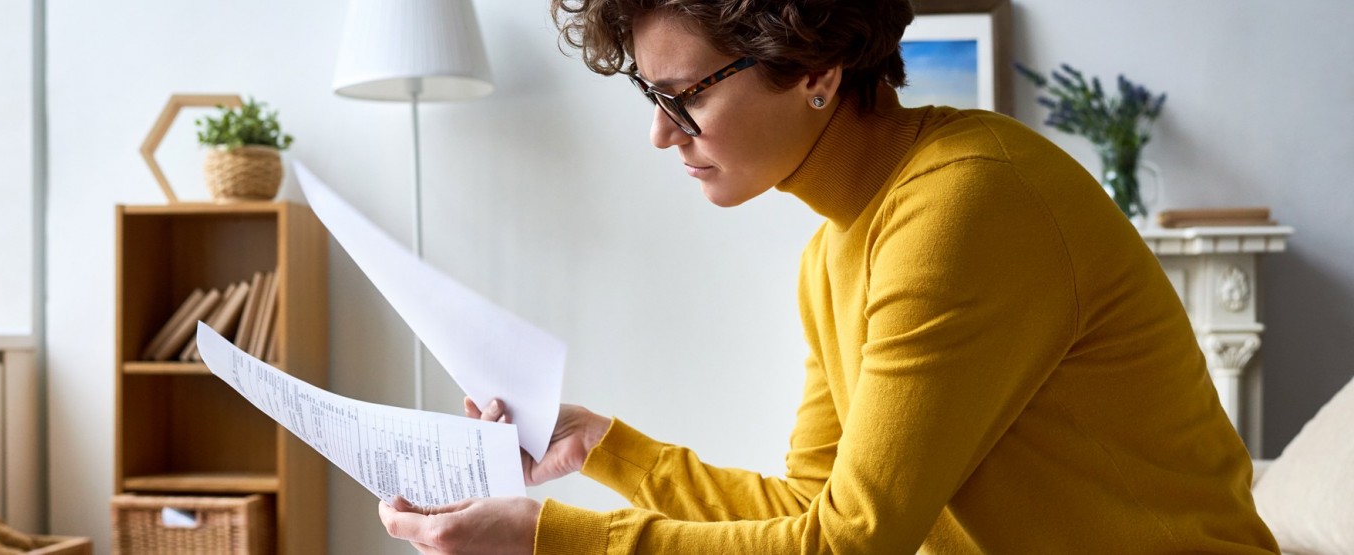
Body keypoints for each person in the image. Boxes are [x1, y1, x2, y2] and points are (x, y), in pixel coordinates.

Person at [379, 0, 1280, 553]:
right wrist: (605, 447)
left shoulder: (966, 206)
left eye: (685, 94)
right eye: (651, 97)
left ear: (813, 66)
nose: (661, 132)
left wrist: (551, 541)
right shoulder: (836, 249)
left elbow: (846, 544)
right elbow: (815, 509)